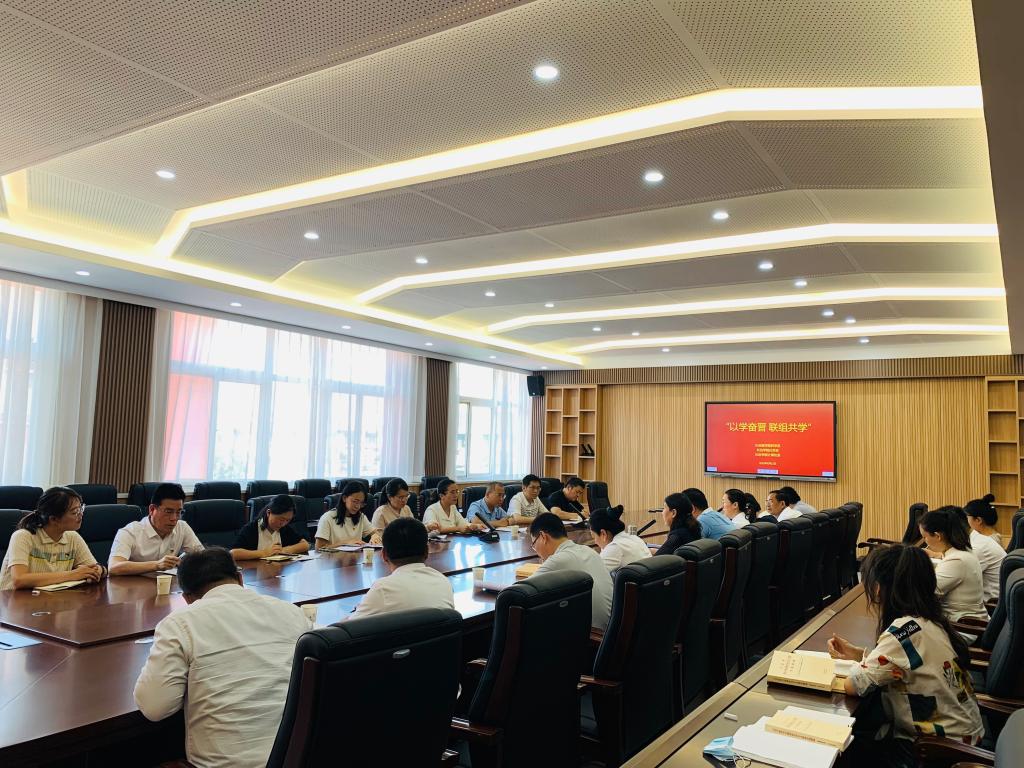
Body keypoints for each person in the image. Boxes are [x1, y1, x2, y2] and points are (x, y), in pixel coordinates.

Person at [134, 547, 309, 768]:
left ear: (187, 598)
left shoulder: (180, 623)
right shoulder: (292, 612)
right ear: (240, 578)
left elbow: (154, 708)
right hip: (301, 757)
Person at [827, 545, 982, 767]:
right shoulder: (928, 621)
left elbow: (853, 684)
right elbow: (903, 663)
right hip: (962, 742)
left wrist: (859, 664)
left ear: (878, 589)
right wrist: (858, 654)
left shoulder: (903, 632)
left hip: (936, 752)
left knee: (846, 750)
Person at [0, 486, 105, 590]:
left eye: (81, 509)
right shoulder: (23, 536)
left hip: (50, 598)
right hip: (13, 599)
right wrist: (73, 574)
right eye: (74, 512)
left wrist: (98, 570)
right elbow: (19, 580)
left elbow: (94, 567)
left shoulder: (73, 537)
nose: (80, 514)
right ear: (53, 519)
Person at [347, 518, 455, 619]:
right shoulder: (444, 582)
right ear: (427, 552)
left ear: (384, 555)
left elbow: (347, 627)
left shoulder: (383, 590)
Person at [528, 513, 613, 631]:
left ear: (543, 536)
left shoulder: (558, 560)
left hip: (593, 636)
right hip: (610, 630)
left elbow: (520, 592)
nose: (536, 550)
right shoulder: (589, 551)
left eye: (533, 544)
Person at [108, 483, 204, 575]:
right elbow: (114, 567)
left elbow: (203, 558)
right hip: (133, 585)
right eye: (168, 512)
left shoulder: (182, 527)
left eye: (179, 512)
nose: (174, 518)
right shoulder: (130, 532)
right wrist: (157, 565)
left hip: (169, 584)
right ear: (152, 509)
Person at [919, 507, 988, 623]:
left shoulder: (957, 560)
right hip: (961, 620)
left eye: (924, 537)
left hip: (962, 626)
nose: (924, 541)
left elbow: (926, 592)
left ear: (937, 536)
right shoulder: (962, 551)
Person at [230, 495, 309, 561]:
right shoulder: (252, 529)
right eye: (281, 519)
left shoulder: (284, 529)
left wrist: (285, 550)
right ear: (268, 513)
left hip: (278, 571)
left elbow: (305, 544)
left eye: (288, 520)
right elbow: (233, 553)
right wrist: (263, 553)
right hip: (256, 572)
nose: (283, 524)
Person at [964, 495, 1006, 601]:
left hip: (991, 599)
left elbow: (966, 574)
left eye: (967, 516)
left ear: (978, 520)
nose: (966, 520)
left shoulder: (988, 542)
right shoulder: (979, 534)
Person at [315, 481, 380, 549]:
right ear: (344, 498)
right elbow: (319, 548)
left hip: (355, 555)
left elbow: (375, 532)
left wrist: (375, 536)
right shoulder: (327, 518)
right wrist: (345, 543)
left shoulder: (361, 517)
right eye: (355, 501)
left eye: (361, 503)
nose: (358, 506)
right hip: (333, 555)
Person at [590, 506, 652, 571]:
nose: (595, 542)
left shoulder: (615, 547)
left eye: (594, 537)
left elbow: (593, 573)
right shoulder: (633, 537)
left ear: (603, 533)